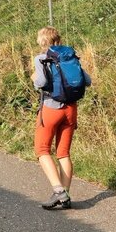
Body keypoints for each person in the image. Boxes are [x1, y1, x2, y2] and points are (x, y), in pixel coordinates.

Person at [31, 26, 91, 209]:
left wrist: (34, 78)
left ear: (42, 41)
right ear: (58, 39)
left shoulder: (41, 58)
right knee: (63, 153)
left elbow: (40, 82)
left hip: (51, 109)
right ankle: (66, 195)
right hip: (71, 110)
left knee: (42, 150)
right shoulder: (70, 57)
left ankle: (59, 192)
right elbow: (87, 81)